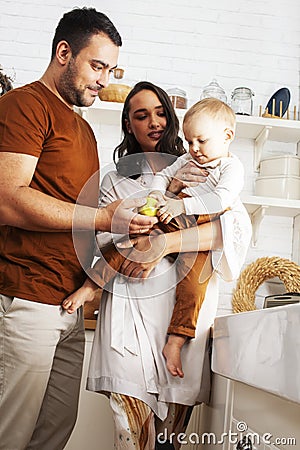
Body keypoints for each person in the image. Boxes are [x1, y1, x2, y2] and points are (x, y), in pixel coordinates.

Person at [62, 81, 252, 450]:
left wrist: (163, 243)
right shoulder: (116, 179)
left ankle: (176, 343)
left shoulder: (209, 165)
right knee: (130, 433)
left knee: (169, 441)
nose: (154, 122)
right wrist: (164, 199)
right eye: (141, 114)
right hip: (128, 313)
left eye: (162, 112)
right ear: (127, 124)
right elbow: (102, 244)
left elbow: (229, 229)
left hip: (180, 311)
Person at [0, 9, 157, 450]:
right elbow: (8, 199)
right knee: (9, 435)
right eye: (96, 65)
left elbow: (79, 220)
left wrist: (99, 274)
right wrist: (109, 218)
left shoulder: (84, 130)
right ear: (63, 52)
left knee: (53, 433)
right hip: (26, 298)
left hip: (69, 307)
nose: (104, 79)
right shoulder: (24, 105)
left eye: (111, 69)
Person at [148, 97, 245, 378]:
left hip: (201, 230)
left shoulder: (231, 168)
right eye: (189, 141)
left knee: (194, 288)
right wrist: (157, 194)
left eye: (201, 141)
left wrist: (181, 205)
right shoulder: (187, 158)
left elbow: (220, 200)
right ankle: (92, 285)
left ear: (227, 136)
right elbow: (164, 176)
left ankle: (175, 342)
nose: (193, 149)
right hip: (178, 221)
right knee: (137, 238)